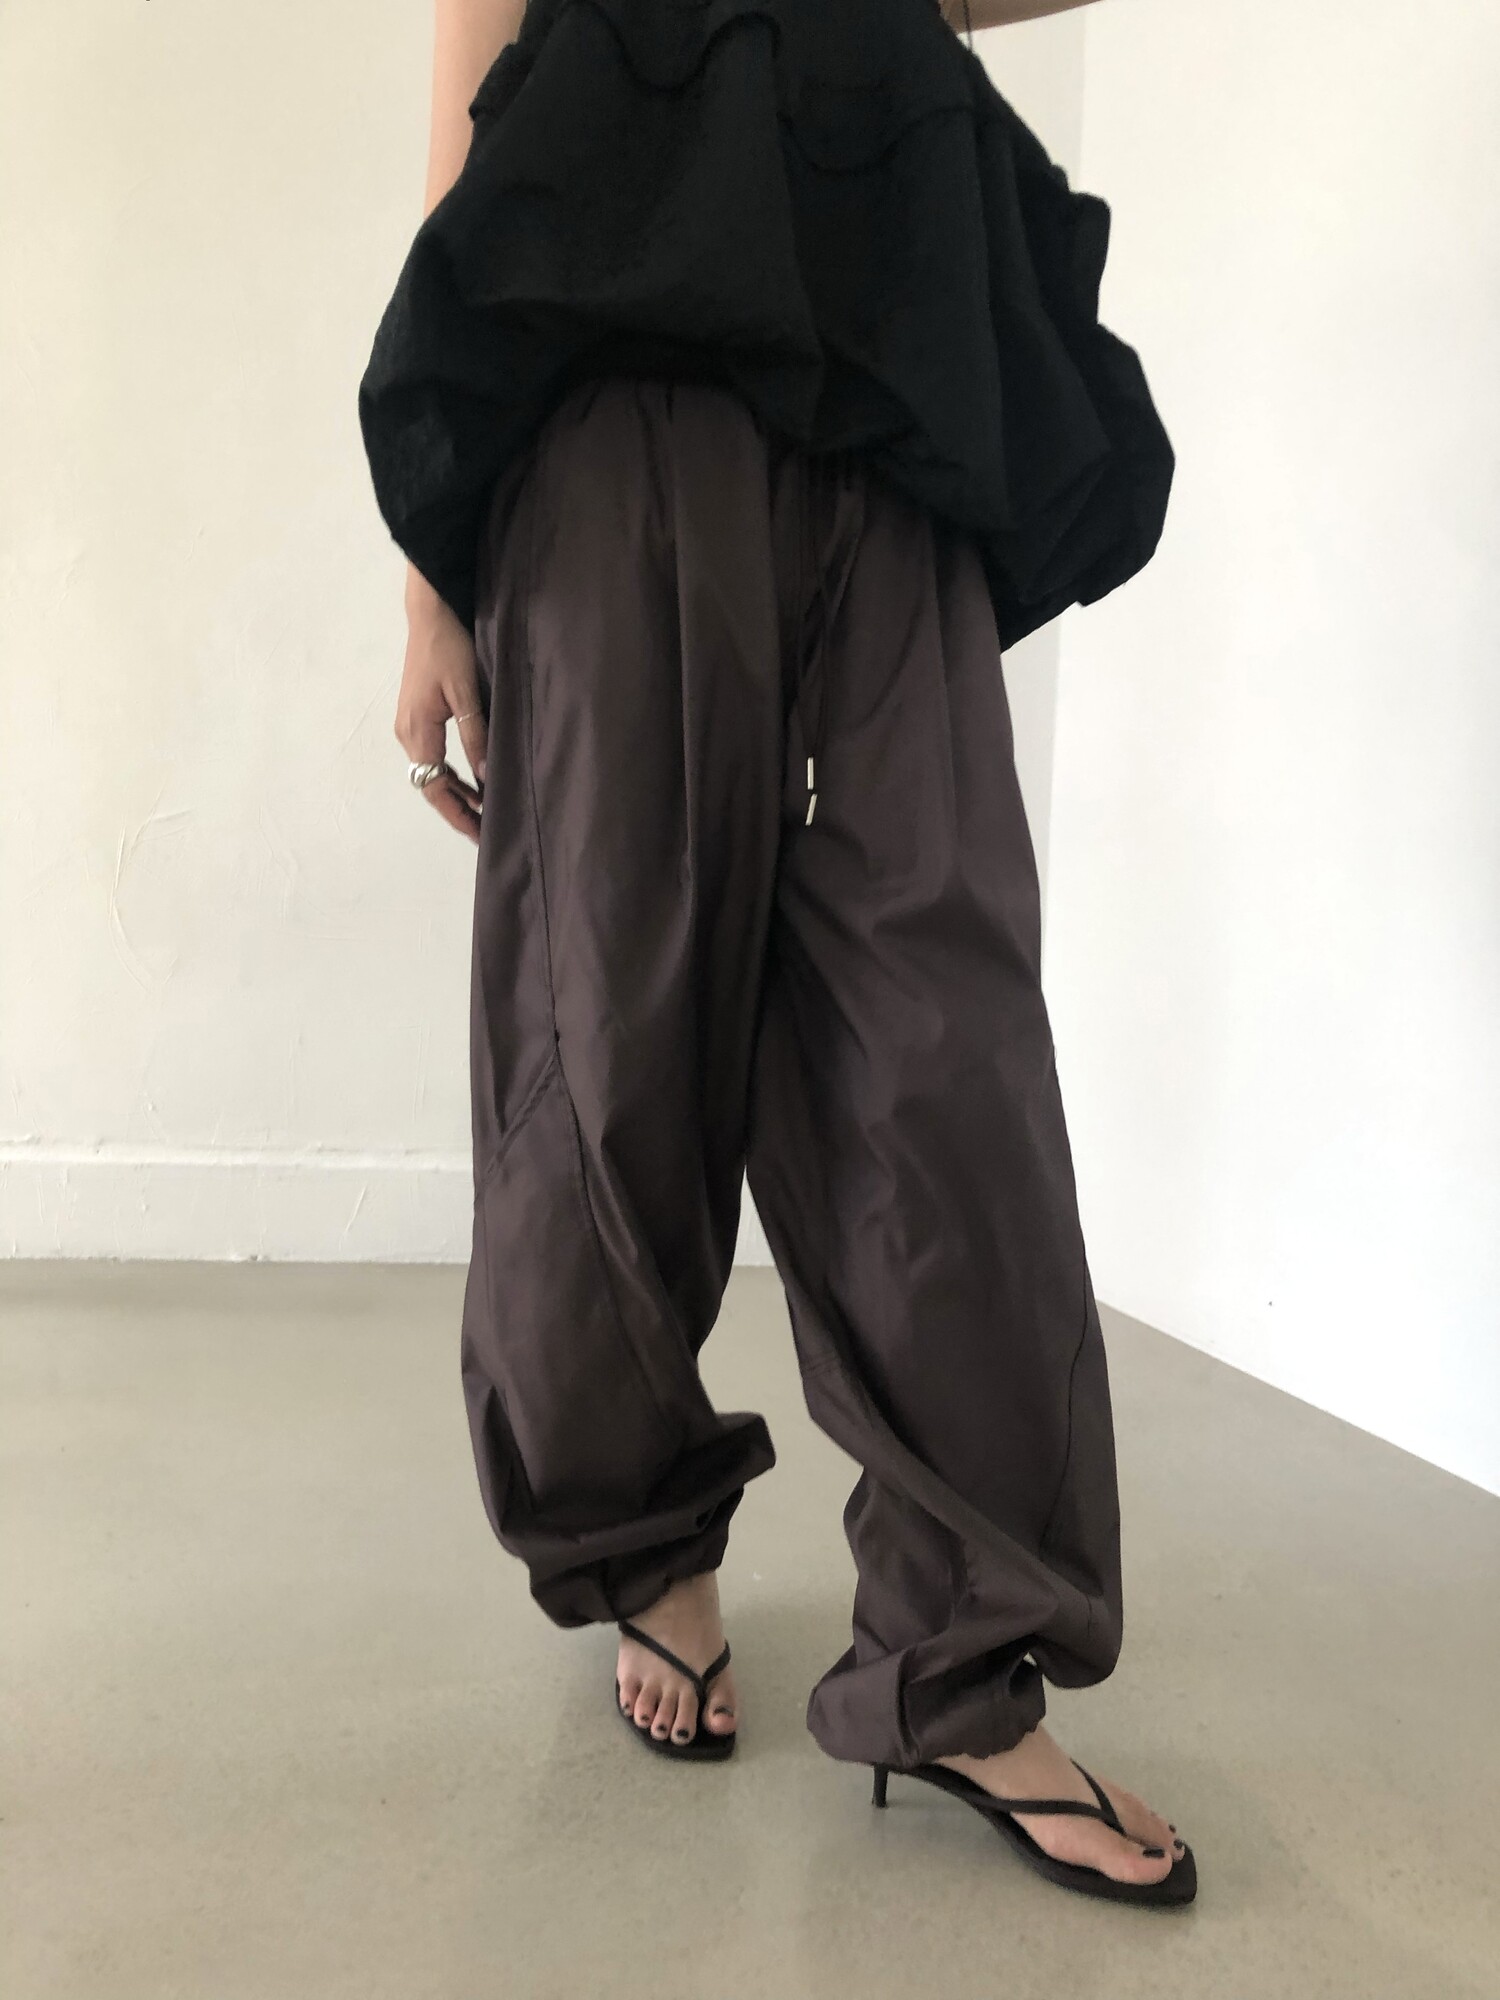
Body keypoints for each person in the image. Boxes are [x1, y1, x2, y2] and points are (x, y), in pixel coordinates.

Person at [364, 0, 1194, 1907]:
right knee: (608, 1028)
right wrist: (432, 572)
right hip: (615, 405)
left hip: (890, 383)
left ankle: (963, 1665)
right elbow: (480, 102)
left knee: (947, 1053)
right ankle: (642, 1539)